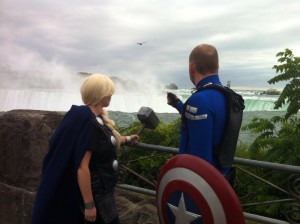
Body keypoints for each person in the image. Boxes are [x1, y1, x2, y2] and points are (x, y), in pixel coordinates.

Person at [31, 74, 139, 224]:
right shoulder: (90, 123)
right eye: (109, 92)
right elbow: (82, 167)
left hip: (103, 191)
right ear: (99, 94)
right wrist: (89, 205)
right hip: (97, 194)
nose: (111, 95)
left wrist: (126, 139)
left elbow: (103, 142)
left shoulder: (95, 119)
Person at [167, 44, 232, 177]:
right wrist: (178, 104)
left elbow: (200, 162)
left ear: (191, 67)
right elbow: (210, 121)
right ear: (217, 67)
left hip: (201, 186)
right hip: (222, 178)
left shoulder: (200, 100)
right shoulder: (228, 96)